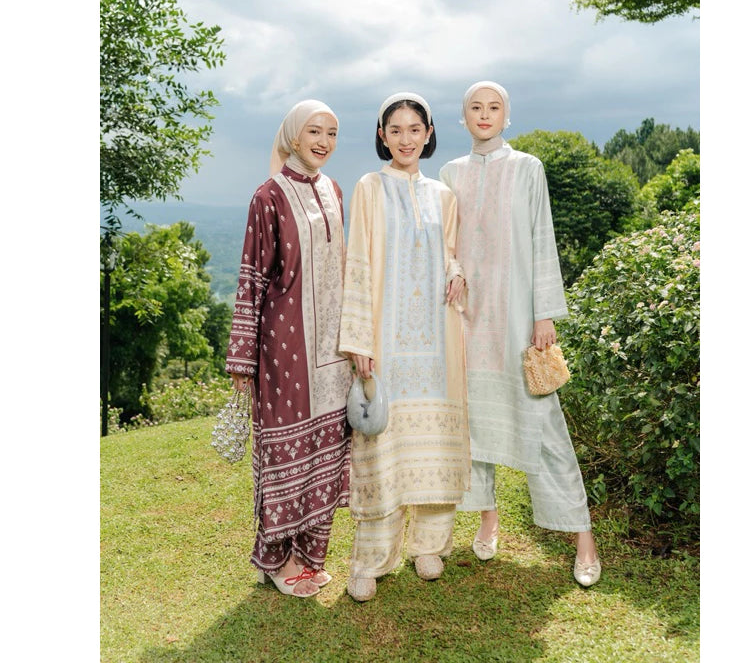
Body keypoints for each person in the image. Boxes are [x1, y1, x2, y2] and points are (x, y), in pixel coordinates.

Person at [439, 81, 601, 587]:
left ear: (506, 117)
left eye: (494, 108)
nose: (484, 115)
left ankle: (583, 536)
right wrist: (450, 269)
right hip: (465, 317)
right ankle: (488, 520)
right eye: (475, 108)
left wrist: (545, 313)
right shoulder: (448, 174)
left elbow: (541, 237)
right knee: (472, 426)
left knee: (544, 424)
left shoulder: (528, 168)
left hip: (517, 320)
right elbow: (443, 241)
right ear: (462, 118)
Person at [338, 92, 471, 602]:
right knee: (382, 444)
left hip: (438, 341)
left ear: (429, 133)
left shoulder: (443, 196)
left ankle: (429, 546)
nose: (406, 138)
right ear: (381, 136)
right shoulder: (370, 188)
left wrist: (457, 275)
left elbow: (451, 253)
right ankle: (371, 560)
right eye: (396, 130)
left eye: (415, 129)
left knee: (435, 445)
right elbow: (359, 262)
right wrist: (359, 339)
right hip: (387, 343)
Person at [225, 100, 353, 598]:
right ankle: (275, 561)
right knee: (285, 454)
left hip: (333, 350)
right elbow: (253, 276)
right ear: (294, 136)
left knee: (325, 451)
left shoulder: (334, 190)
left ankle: (308, 553)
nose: (323, 141)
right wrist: (243, 357)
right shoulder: (269, 196)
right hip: (285, 348)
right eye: (314, 131)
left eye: (333, 133)